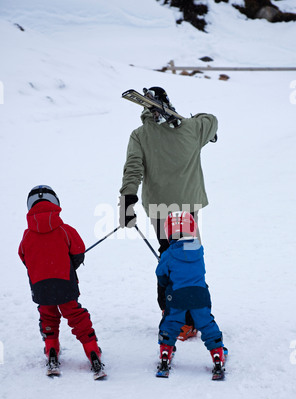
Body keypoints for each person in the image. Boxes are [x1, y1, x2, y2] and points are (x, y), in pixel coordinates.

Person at [119, 86, 218, 340]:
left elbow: (133, 168)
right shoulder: (193, 129)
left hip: (161, 208)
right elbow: (211, 120)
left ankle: (173, 315)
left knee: (168, 259)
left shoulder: (140, 135)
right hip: (188, 206)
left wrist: (128, 200)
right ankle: (196, 314)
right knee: (190, 258)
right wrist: (187, 118)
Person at [18, 185, 104, 377]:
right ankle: (92, 350)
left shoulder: (27, 235)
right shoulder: (65, 230)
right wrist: (68, 266)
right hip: (64, 282)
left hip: (40, 285)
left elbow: (23, 256)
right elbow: (78, 251)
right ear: (55, 203)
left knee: (48, 314)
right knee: (75, 314)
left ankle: (51, 349)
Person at [156, 211, 226, 380]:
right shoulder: (199, 250)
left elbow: (161, 275)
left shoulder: (168, 254)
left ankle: (166, 352)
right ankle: (217, 353)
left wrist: (165, 273)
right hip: (200, 296)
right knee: (206, 323)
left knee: (170, 324)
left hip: (177, 297)